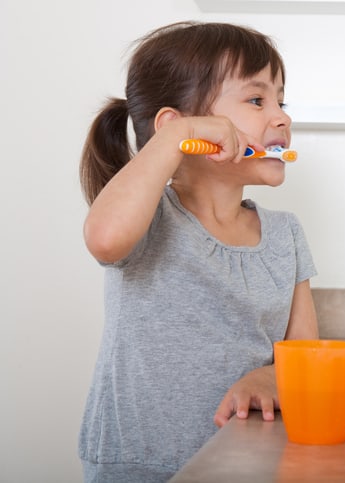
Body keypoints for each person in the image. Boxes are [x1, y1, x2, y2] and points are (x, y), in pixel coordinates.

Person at [78, 21, 318, 482]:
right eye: (256, 100)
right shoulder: (148, 218)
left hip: (245, 463)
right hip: (137, 467)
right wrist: (172, 139)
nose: (283, 118)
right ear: (182, 127)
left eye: (281, 101)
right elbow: (104, 238)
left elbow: (304, 350)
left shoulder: (285, 235)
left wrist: (272, 377)